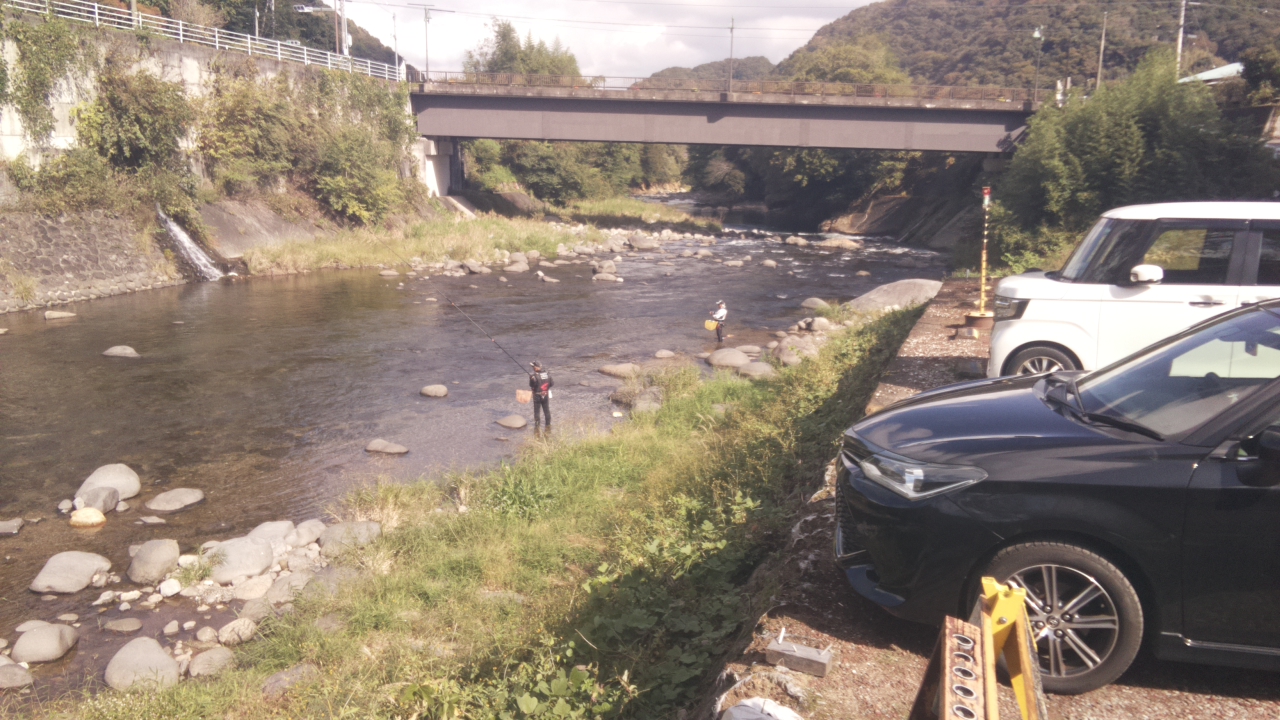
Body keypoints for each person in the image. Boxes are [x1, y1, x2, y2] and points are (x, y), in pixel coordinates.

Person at [529, 361, 554, 430]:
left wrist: (531, 379)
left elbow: (531, 385)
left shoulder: (534, 376)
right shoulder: (548, 374)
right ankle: (548, 425)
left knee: (537, 411)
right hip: (545, 395)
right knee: (546, 410)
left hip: (537, 395)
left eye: (533, 367)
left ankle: (537, 427)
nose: (533, 368)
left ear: (536, 368)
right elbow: (552, 384)